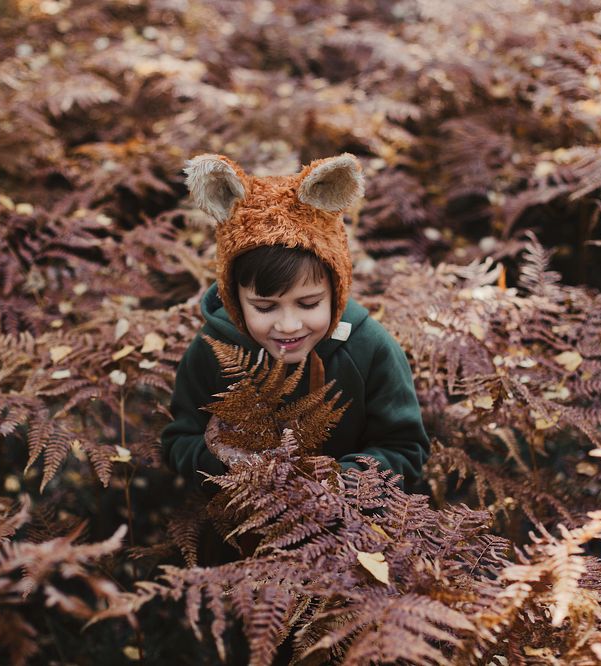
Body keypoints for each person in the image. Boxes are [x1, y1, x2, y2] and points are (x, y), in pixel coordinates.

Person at [161, 153, 429, 493]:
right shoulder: (212, 349)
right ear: (233, 298)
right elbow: (178, 441)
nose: (288, 325)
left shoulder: (370, 349)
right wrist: (227, 464)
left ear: (337, 290)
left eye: (308, 303)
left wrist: (339, 483)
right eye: (264, 307)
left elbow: (406, 449)